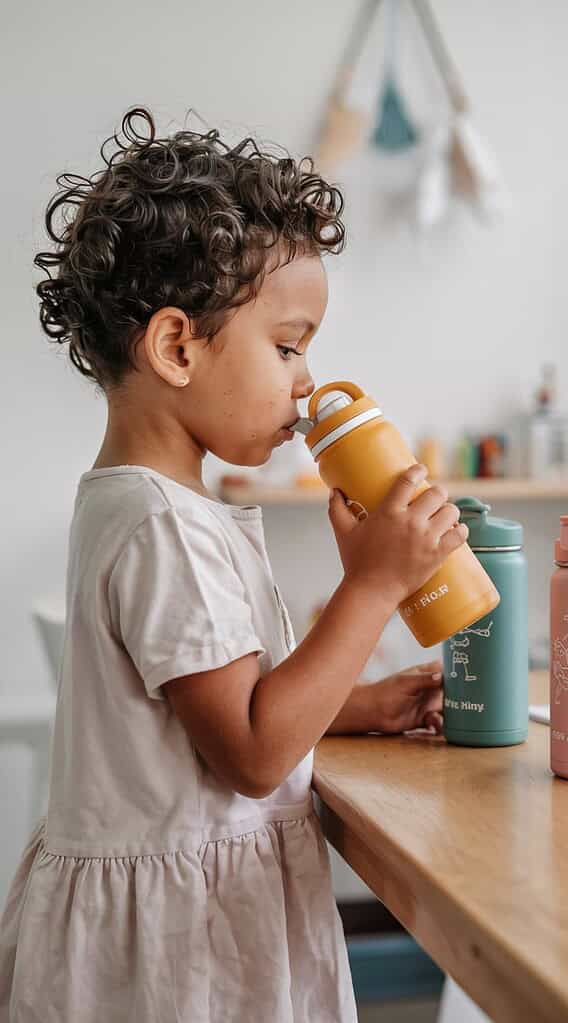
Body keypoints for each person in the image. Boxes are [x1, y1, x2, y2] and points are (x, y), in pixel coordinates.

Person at [0, 107, 467, 1022]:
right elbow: (252, 753)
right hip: (187, 958)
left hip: (187, 921)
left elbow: (217, 713)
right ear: (177, 346)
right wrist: (370, 585)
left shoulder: (148, 505)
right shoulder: (160, 523)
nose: (305, 380)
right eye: (287, 345)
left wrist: (364, 703)